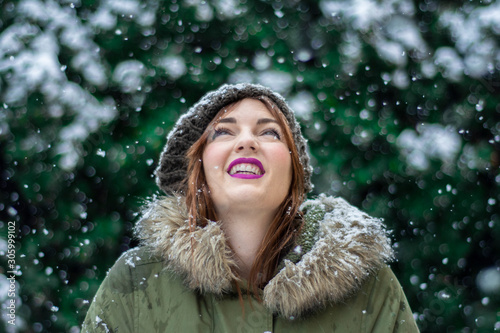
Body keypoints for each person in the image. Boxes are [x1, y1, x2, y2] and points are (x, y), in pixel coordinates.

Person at [82, 83, 419, 332]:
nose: (246, 141)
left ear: (294, 170)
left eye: (270, 132)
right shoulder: (138, 280)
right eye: (223, 133)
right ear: (197, 166)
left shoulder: (368, 286)